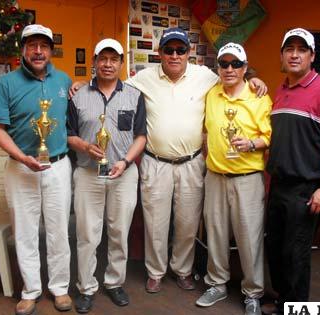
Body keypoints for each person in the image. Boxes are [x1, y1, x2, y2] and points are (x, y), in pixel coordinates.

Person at [70, 27, 267, 293]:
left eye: (180, 50)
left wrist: (254, 78)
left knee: (187, 223)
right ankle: (156, 271)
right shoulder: (143, 78)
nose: (175, 55)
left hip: (191, 162)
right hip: (155, 162)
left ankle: (183, 269)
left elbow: (232, 74)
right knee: (155, 222)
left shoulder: (206, 76)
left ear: (189, 53)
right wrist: (83, 83)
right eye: (169, 50)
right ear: (160, 53)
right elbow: (110, 83)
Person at [0, 24, 73, 315]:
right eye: (32, 45)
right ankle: (31, 291)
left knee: (59, 230)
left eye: (44, 46)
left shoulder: (63, 80)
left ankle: (60, 289)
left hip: (58, 166)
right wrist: (21, 158)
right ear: (23, 50)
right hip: (20, 168)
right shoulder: (6, 84)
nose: (38, 51)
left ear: (50, 50)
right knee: (24, 232)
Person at [264, 28, 320, 313]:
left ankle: (294, 308)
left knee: (296, 254)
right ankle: (282, 299)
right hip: (277, 184)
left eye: (302, 49)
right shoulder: (281, 89)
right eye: (290, 49)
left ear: (312, 56)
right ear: (283, 55)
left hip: (306, 189)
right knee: (274, 248)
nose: (295, 54)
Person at [67, 39, 147, 313]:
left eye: (114, 59)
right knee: (87, 234)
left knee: (119, 231)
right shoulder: (77, 96)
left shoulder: (134, 96)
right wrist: (84, 146)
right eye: (103, 58)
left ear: (121, 63)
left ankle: (114, 282)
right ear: (94, 61)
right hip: (88, 174)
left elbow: (141, 137)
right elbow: (68, 134)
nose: (108, 64)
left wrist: (125, 162)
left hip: (123, 174)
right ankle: (86, 287)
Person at [195, 43, 271, 315]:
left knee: (249, 238)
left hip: (247, 178)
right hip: (215, 175)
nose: (229, 69)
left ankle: (253, 292)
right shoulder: (212, 93)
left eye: (235, 64)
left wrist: (251, 144)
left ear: (245, 68)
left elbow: (269, 136)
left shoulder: (258, 95)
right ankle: (217, 283)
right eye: (224, 64)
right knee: (216, 233)